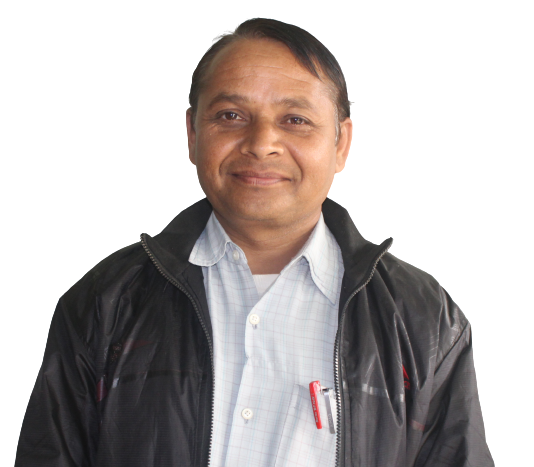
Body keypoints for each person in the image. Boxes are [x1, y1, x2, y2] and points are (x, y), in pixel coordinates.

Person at [15, 18, 493, 467]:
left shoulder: (424, 319)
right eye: (231, 115)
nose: (262, 143)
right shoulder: (104, 301)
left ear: (341, 144)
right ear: (192, 134)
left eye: (295, 119)